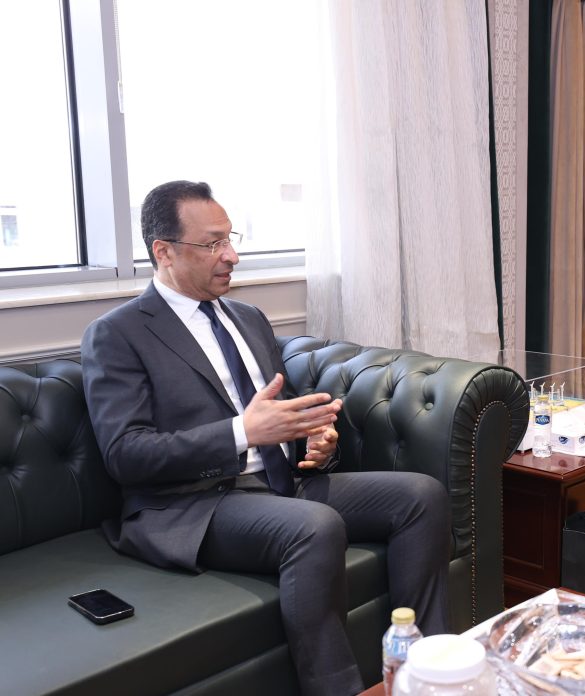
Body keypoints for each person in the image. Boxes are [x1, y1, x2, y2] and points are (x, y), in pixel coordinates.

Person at [81, 180, 451, 696]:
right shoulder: (118, 334)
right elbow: (126, 455)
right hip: (195, 504)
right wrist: (242, 432)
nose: (231, 256)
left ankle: (426, 671)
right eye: (212, 244)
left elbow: (282, 411)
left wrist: (315, 441)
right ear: (163, 252)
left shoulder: (248, 318)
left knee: (421, 495)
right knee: (314, 526)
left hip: (282, 484)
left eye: (230, 239)